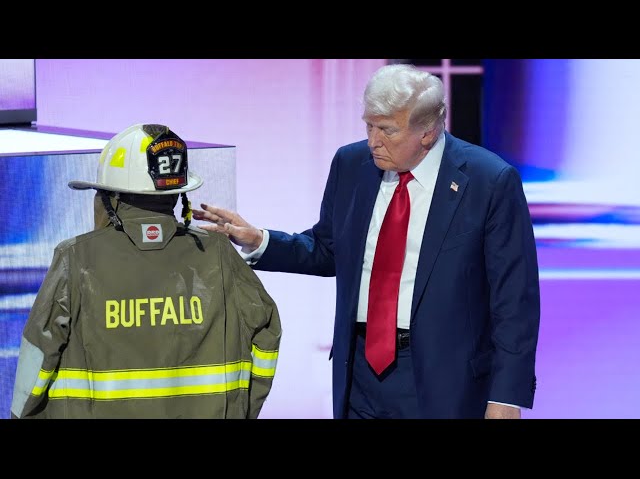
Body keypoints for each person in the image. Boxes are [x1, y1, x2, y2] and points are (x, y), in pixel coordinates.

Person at [193, 64, 540, 419]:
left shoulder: (489, 181)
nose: (373, 140)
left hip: (444, 380)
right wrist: (259, 239)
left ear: (427, 132)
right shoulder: (352, 163)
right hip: (360, 372)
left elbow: (514, 299)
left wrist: (506, 395)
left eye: (387, 130)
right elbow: (327, 249)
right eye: (369, 125)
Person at [11, 123, 281, 419]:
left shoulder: (75, 258)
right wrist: (240, 409)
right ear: (179, 196)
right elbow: (267, 333)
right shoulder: (218, 254)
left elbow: (37, 355)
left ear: (111, 198)